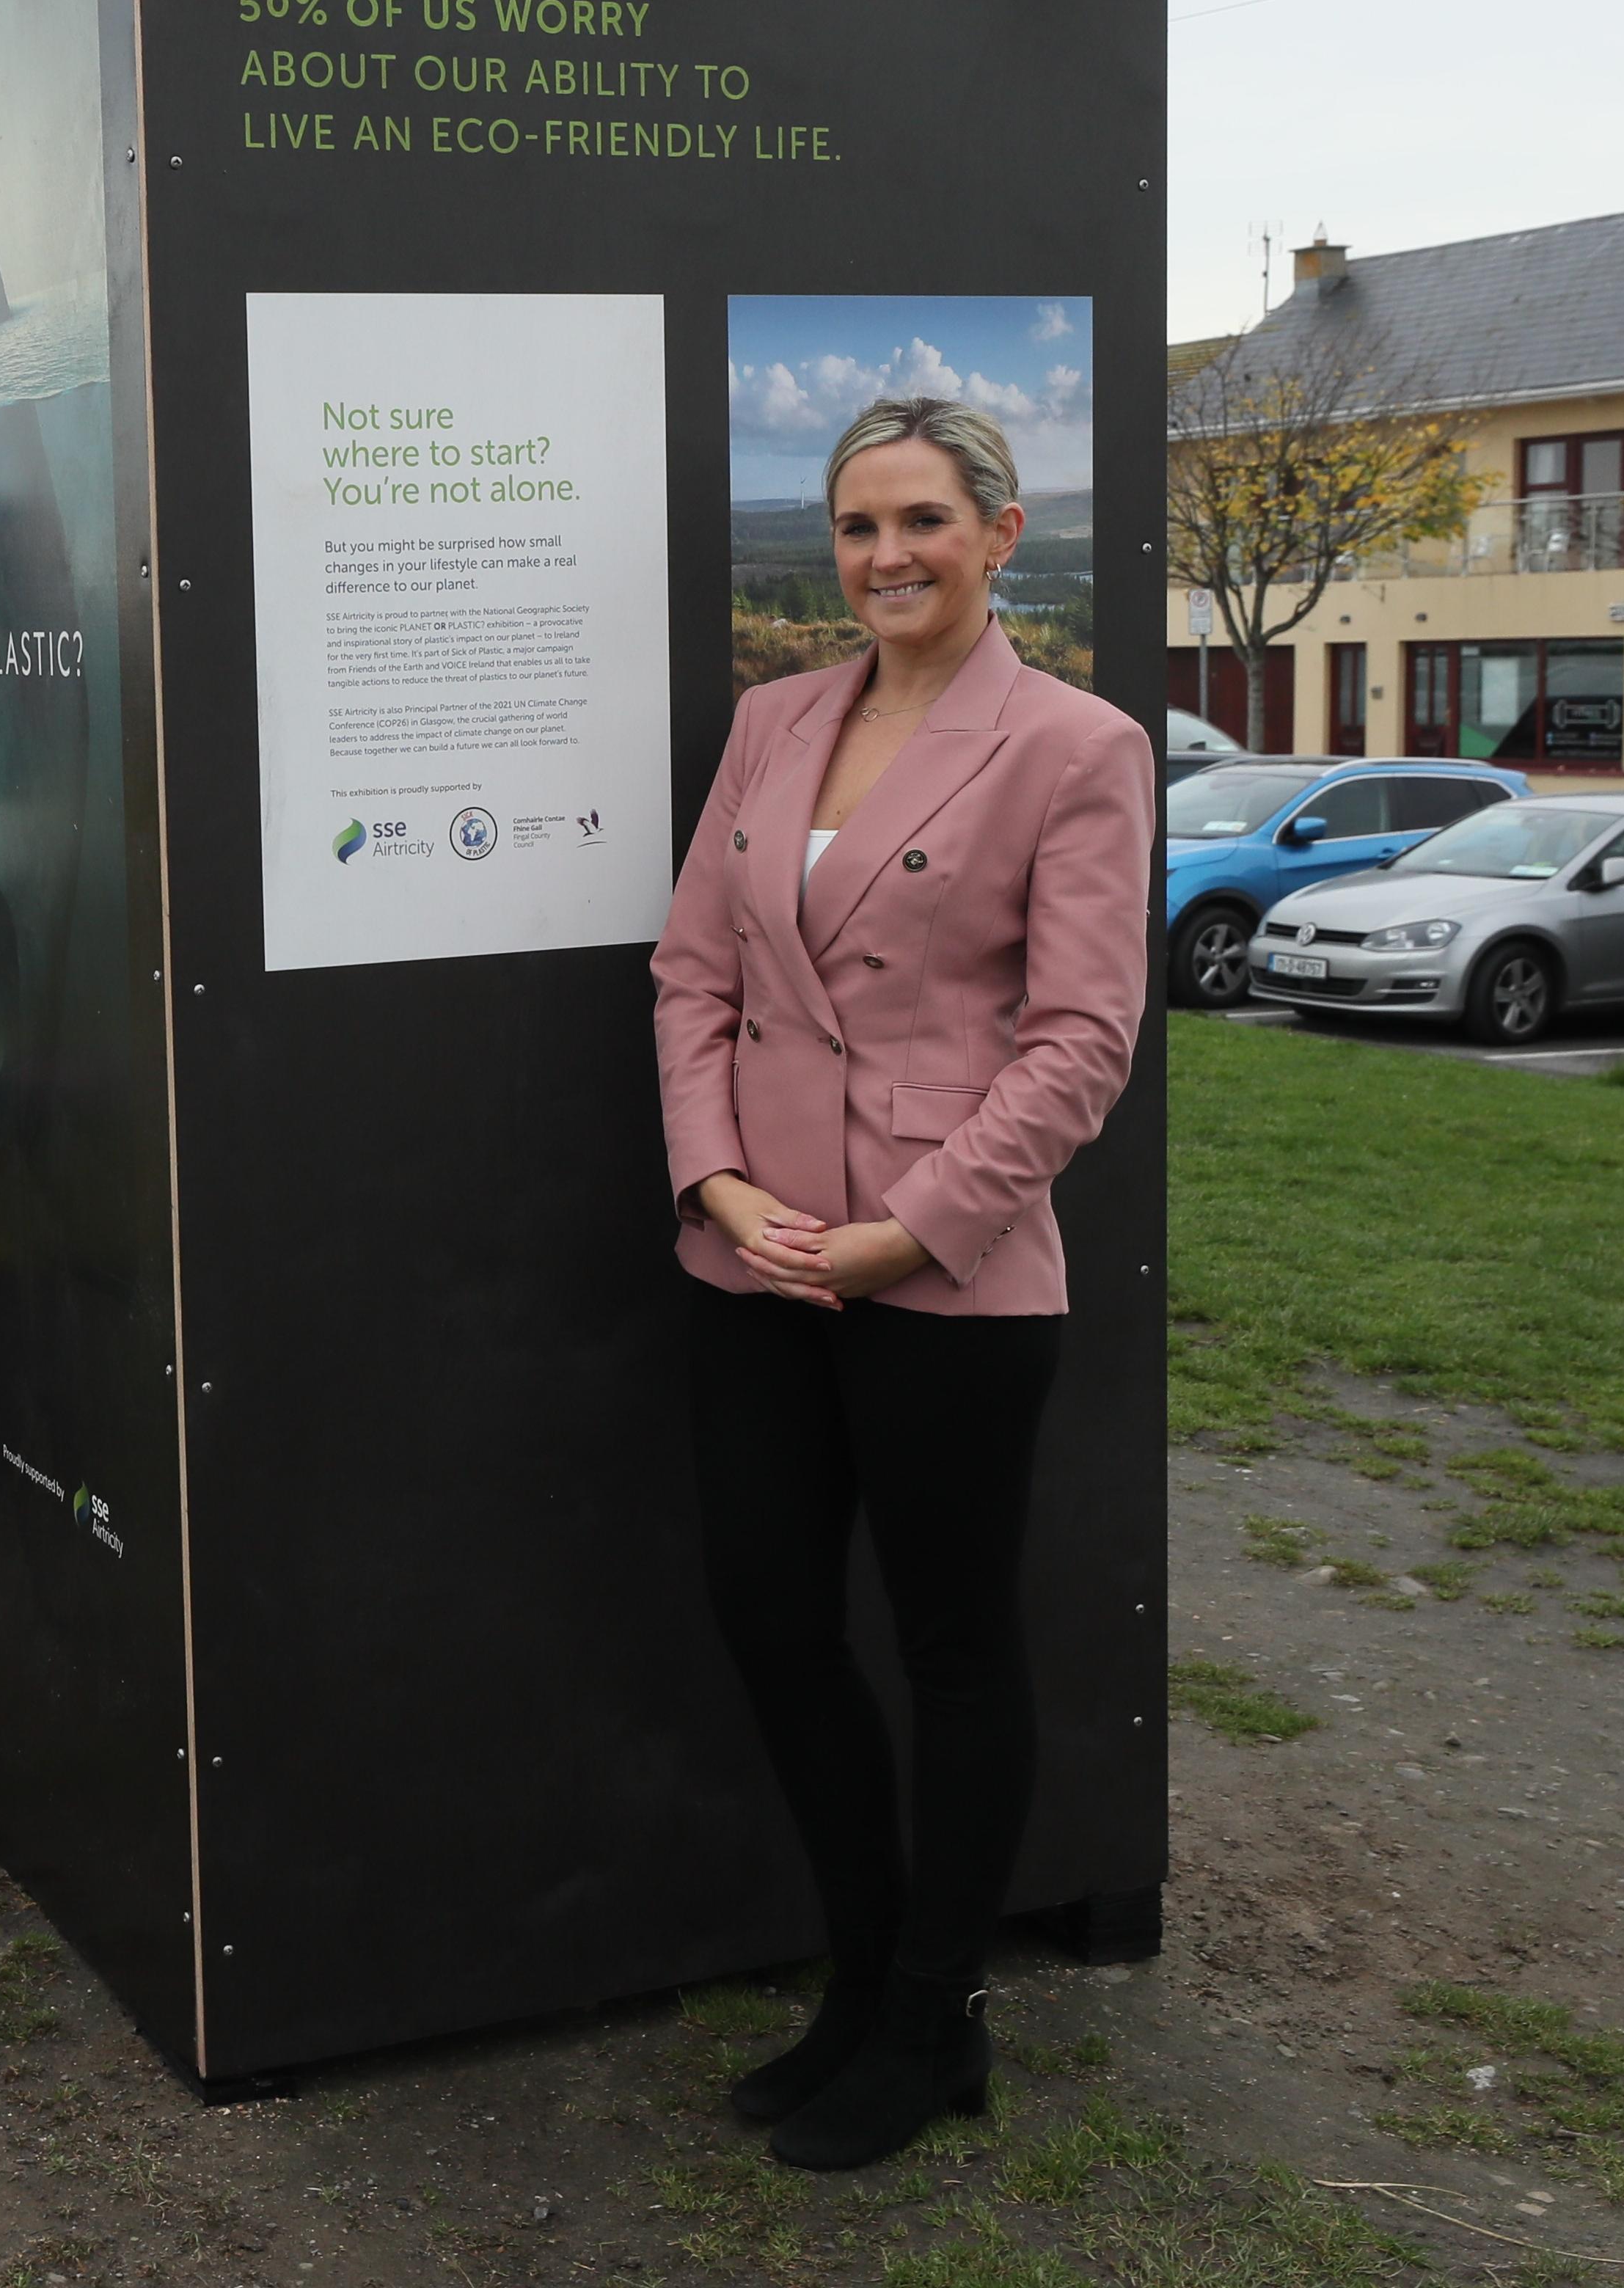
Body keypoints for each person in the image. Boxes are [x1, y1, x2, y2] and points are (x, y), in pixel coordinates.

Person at [650, 395, 1153, 2170]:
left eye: (923, 522)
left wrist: (908, 1227)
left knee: (951, 1649)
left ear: (997, 532)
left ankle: (934, 2018)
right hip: (755, 1261)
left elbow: (1080, 1040)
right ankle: (857, 1983)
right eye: (859, 526)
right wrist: (713, 1181)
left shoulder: (1073, 746)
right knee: (770, 1620)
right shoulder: (772, 719)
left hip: (942, 1276)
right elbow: (689, 973)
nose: (885, 557)